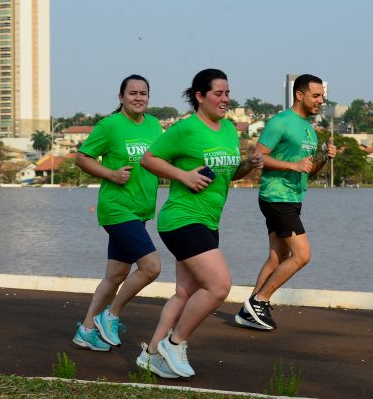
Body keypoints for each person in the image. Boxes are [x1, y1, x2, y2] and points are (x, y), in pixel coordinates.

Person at [135, 68, 263, 378]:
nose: (225, 99)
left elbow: (230, 175)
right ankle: (175, 343)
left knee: (185, 293)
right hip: (181, 218)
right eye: (218, 93)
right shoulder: (186, 129)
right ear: (200, 96)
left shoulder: (230, 130)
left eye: (227, 93)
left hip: (208, 220)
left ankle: (151, 354)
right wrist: (183, 175)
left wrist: (249, 164)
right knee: (219, 286)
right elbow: (148, 159)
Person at [234, 74, 337, 331]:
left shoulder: (309, 130)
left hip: (293, 197)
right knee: (302, 255)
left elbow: (308, 171)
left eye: (322, 96)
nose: (320, 101)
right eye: (316, 96)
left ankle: (248, 310)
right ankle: (260, 299)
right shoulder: (280, 122)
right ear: (299, 95)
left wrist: (323, 157)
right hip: (276, 196)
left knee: (278, 255)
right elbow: (257, 156)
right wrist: (293, 164)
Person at [72, 74, 163, 351]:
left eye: (143, 93)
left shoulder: (154, 125)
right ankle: (110, 316)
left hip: (140, 210)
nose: (138, 98)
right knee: (151, 267)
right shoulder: (109, 126)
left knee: (116, 275)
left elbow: (162, 160)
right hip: (117, 208)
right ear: (121, 97)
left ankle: (86, 329)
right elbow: (82, 157)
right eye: (132, 93)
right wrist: (110, 173)